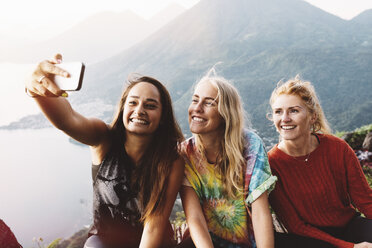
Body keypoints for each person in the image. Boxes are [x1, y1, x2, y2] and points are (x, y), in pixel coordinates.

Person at [25, 54, 184, 248]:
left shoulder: (170, 160)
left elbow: (154, 227)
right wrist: (36, 90)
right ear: (123, 108)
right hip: (105, 240)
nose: (140, 110)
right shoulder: (103, 139)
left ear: (163, 118)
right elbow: (67, 120)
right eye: (132, 103)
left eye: (150, 106)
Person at [267, 76, 372, 248]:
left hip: (349, 226)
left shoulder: (337, 148)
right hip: (308, 239)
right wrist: (350, 247)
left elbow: (366, 201)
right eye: (278, 111)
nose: (284, 118)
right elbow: (295, 225)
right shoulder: (272, 164)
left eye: (293, 110)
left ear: (312, 116)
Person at [179, 69, 277, 248]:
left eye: (209, 103)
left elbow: (260, 211)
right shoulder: (185, 153)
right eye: (195, 100)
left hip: (251, 242)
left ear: (226, 113)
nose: (197, 108)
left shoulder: (250, 145)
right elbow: (195, 218)